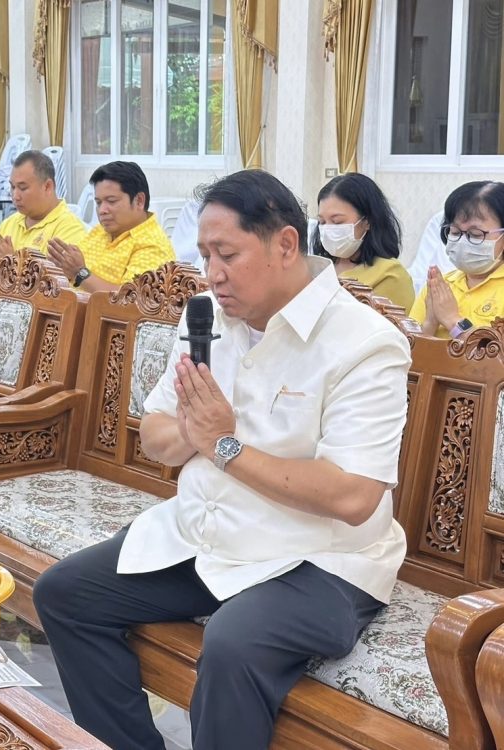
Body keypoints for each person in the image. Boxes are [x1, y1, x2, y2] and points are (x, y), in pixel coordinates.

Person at [33, 169, 411, 750]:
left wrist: (224, 446)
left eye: (227, 254)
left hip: (318, 557)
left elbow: (353, 496)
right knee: (65, 592)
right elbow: (155, 435)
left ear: (286, 244)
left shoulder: (364, 343)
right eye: (205, 254)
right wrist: (197, 430)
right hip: (210, 533)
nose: (211, 272)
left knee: (234, 644)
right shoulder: (205, 316)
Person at [46, 161, 175, 293]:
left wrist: (80, 274)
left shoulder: (153, 245)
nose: (102, 210)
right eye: (98, 203)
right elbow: (72, 274)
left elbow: (131, 299)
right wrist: (62, 268)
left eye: (111, 201)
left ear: (139, 201)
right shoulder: (100, 231)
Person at [409, 181, 504, 338]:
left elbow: (495, 353)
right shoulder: (440, 286)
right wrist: (430, 323)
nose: (462, 241)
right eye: (454, 232)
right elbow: (409, 349)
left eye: (475, 235)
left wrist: (453, 321)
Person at [313, 173, 414, 311]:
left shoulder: (389, 274)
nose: (328, 230)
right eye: (322, 222)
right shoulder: (317, 268)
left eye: (337, 222)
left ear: (367, 221)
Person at [0, 150, 87, 270]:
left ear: (47, 186)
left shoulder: (70, 229)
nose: (15, 196)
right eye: (12, 187)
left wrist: (11, 262)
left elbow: (57, 280)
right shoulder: (10, 223)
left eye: (23, 188)